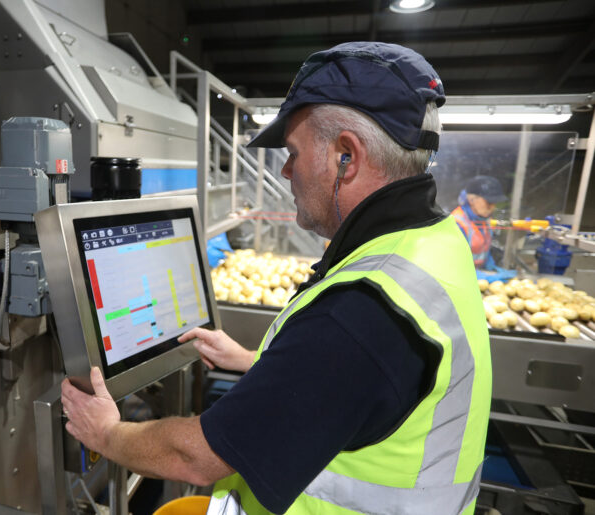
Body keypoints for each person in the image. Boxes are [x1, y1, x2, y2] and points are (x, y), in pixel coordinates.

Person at [61, 42, 492, 515]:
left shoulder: (360, 313)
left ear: (346, 156)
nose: (285, 170)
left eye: (293, 152)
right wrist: (258, 363)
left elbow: (197, 458)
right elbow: (355, 385)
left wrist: (106, 432)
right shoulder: (435, 239)